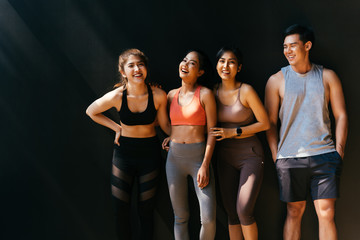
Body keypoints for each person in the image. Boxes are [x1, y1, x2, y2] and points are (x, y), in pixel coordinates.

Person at [265, 24, 348, 240]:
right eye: (285, 47)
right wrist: (276, 155)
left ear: (307, 46)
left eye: (293, 45)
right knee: (294, 212)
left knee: (327, 213)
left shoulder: (327, 76)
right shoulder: (276, 80)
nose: (288, 51)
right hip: (289, 158)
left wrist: (338, 150)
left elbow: (341, 115)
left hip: (324, 156)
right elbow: (270, 123)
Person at [86, 49, 171, 240]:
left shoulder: (158, 95)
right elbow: (91, 111)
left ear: (146, 68)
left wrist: (177, 136)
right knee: (121, 209)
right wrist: (116, 127)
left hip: (150, 154)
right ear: (123, 71)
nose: (137, 69)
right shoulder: (117, 96)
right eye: (131, 66)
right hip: (123, 155)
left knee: (147, 209)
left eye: (140, 64)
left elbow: (165, 124)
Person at [209, 46, 270, 240]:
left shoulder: (246, 91)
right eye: (222, 61)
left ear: (239, 67)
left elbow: (265, 123)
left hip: (250, 154)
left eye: (231, 62)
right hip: (225, 157)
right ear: (217, 65)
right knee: (231, 213)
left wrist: (232, 132)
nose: (226, 66)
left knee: (244, 210)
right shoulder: (212, 92)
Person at [162, 50, 217, 240]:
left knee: (208, 218)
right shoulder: (170, 95)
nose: (185, 64)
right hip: (174, 159)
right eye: (184, 60)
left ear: (200, 72)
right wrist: (172, 136)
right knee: (180, 217)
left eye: (192, 63)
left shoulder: (206, 94)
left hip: (199, 158)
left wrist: (204, 164)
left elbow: (212, 132)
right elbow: (167, 124)